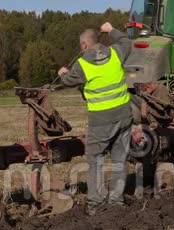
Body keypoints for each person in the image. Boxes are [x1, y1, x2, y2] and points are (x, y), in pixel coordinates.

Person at [58, 22, 133, 216]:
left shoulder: (81, 64)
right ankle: (116, 201)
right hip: (124, 116)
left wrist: (62, 74)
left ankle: (96, 204)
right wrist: (111, 30)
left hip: (101, 119)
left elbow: (67, 81)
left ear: (84, 45)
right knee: (119, 159)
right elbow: (126, 40)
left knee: (95, 160)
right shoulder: (116, 52)